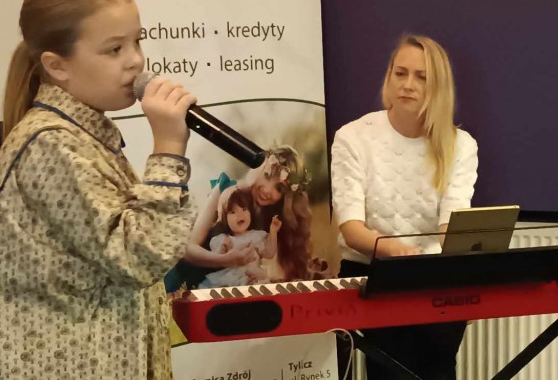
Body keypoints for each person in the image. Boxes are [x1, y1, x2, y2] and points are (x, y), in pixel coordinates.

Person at [0, 0, 197, 379]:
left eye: (138, 41)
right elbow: (138, 258)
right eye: (114, 49)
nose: (136, 60)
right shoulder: (50, 146)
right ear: (58, 66)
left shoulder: (83, 135)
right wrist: (167, 148)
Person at [331, 34, 479, 380]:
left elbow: (450, 228)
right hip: (372, 272)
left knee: (437, 365)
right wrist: (397, 252)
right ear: (389, 76)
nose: (408, 85)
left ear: (438, 87)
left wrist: (458, 262)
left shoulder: (460, 144)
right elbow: (351, 230)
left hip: (434, 278)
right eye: (400, 73)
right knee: (392, 368)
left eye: (421, 77)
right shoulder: (353, 137)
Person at [164, 146, 313, 292]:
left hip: (220, 296)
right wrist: (227, 260)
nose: (267, 189)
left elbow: (274, 272)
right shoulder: (227, 190)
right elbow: (188, 249)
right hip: (179, 284)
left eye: (278, 188)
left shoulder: (275, 222)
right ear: (260, 169)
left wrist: (262, 275)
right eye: (267, 176)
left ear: (286, 196)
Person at [197, 189, 282, 288]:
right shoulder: (224, 239)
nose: (240, 214)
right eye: (233, 212)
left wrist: (273, 231)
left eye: (244, 209)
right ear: (225, 218)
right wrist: (223, 249)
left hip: (252, 277)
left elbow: (269, 253)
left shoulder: (255, 236)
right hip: (230, 278)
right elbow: (217, 260)